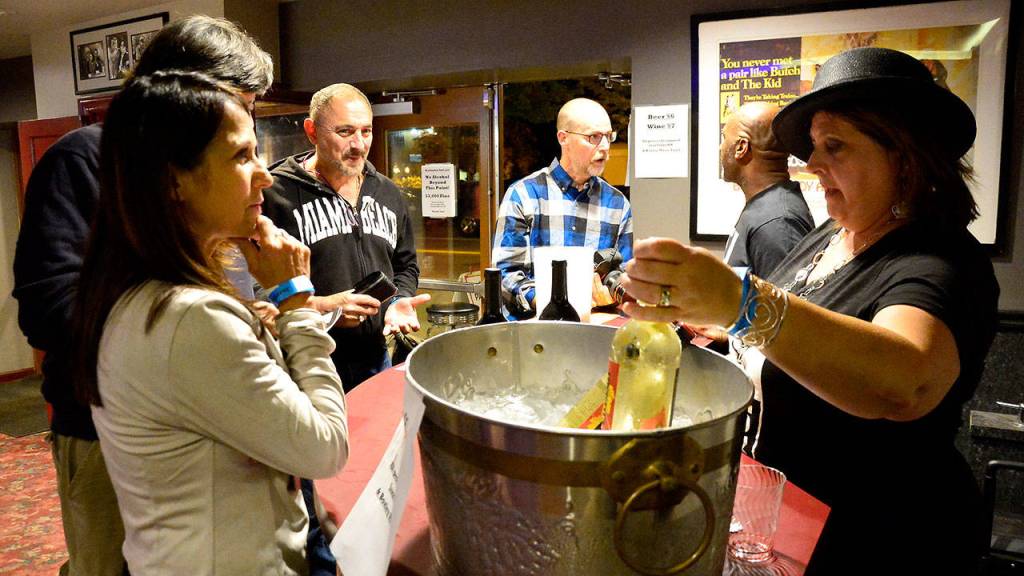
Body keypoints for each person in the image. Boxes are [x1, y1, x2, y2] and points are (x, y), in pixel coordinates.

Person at [621, 47, 997, 574]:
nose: (811, 164)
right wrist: (711, 318)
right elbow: (792, 340)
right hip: (795, 524)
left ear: (906, 156)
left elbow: (904, 381)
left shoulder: (940, 258)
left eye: (835, 146)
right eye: (816, 146)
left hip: (883, 541)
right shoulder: (830, 236)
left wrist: (738, 301)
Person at [12, 15, 275, 576]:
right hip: (110, 433)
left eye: (249, 108)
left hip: (211, 428)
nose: (242, 122)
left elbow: (226, 278)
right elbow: (48, 307)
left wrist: (257, 315)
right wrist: (191, 330)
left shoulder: (214, 173)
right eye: (236, 101)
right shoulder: (84, 157)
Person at [71, 70, 349, 576]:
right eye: (242, 156)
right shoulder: (190, 317)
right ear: (174, 179)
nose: (264, 175)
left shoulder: (139, 296)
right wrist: (295, 300)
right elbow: (325, 446)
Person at [263, 83, 428, 390]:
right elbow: (255, 289)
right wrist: (324, 308)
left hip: (376, 358)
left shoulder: (388, 192)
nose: (358, 144)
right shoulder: (274, 195)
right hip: (306, 362)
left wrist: (398, 301)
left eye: (366, 131)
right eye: (345, 132)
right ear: (312, 132)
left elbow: (406, 266)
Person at [492, 97, 633, 318]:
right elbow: (506, 274)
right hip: (535, 333)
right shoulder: (524, 195)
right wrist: (550, 303)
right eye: (594, 137)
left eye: (608, 137)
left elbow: (623, 273)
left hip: (592, 329)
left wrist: (612, 292)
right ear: (563, 138)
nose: (605, 147)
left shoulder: (617, 204)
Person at [721, 101, 813, 278]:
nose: (721, 147)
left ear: (741, 148)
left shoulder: (777, 223)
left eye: (724, 138)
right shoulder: (768, 209)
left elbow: (785, 304)